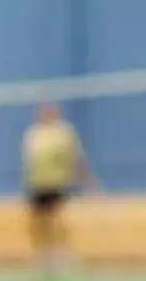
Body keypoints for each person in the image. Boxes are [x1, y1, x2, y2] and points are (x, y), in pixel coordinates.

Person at [22, 102, 97, 271]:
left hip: (57, 182)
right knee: (38, 222)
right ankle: (43, 255)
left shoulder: (63, 133)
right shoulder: (33, 134)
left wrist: (87, 179)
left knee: (57, 219)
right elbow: (30, 161)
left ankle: (62, 253)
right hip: (37, 183)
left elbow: (75, 157)